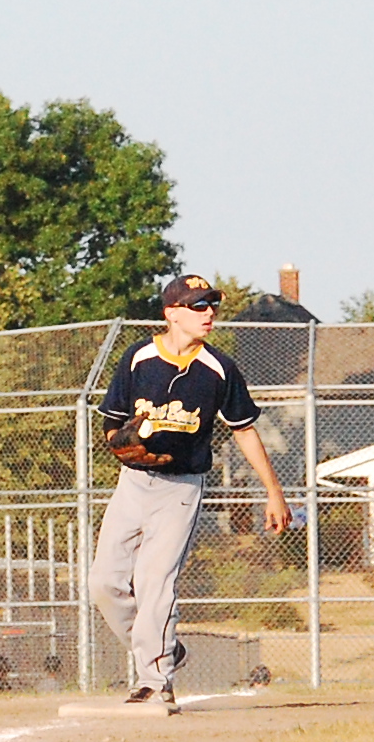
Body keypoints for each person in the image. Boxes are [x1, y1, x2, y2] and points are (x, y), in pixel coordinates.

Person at [92, 274, 293, 713]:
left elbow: (244, 430)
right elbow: (112, 424)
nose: (209, 313)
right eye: (198, 306)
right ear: (172, 313)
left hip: (181, 489)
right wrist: (121, 443)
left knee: (155, 582)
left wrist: (273, 491)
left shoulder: (218, 368)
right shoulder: (138, 358)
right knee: (103, 584)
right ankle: (167, 649)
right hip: (133, 484)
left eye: (211, 304)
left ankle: (155, 679)